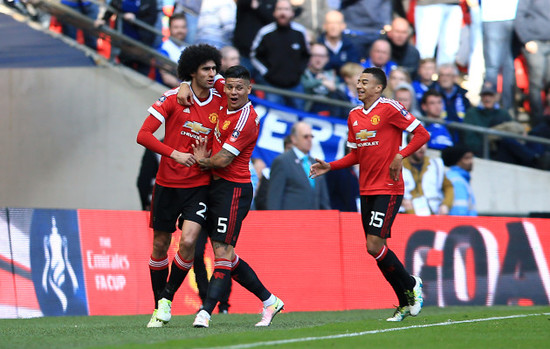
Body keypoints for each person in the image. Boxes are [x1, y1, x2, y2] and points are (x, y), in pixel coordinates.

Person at [310, 67, 429, 322]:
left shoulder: (390, 108)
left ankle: (411, 285)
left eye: (365, 82)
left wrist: (400, 155)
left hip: (389, 188)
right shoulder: (353, 114)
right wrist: (331, 166)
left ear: (378, 87)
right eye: (358, 81)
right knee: (376, 249)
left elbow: (422, 134)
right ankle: (404, 302)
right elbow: (356, 154)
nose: (359, 85)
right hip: (366, 189)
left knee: (374, 244)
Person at [136, 44, 224, 328]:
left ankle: (168, 299)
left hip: (198, 185)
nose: (212, 74)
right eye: (205, 69)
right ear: (191, 71)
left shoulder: (220, 98)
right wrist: (173, 153)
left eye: (214, 68)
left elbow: (234, 82)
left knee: (187, 242)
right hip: (166, 183)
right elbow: (143, 135)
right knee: (160, 245)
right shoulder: (173, 98)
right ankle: (157, 304)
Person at [191, 65, 284, 328]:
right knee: (228, 257)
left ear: (249, 89)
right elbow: (207, 77)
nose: (232, 92)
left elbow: (223, 159)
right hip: (213, 188)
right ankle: (269, 301)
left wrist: (201, 161)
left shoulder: (247, 120)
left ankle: (206, 312)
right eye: (230, 86)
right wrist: (186, 85)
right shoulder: (223, 88)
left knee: (222, 253)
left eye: (239, 88)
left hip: (234, 190)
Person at [250, 0, 310, 110]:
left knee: (300, 116)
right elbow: (254, 55)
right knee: (274, 115)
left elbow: (307, 55)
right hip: (272, 86)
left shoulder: (300, 31)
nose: (283, 13)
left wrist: (299, 72)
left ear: (292, 13)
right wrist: (267, 72)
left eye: (286, 9)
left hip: (295, 85)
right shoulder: (265, 32)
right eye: (279, 9)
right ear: (274, 13)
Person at [267, 121, 331, 210]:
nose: (309, 140)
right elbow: (274, 199)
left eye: (311, 136)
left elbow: (323, 199)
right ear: (294, 139)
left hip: (314, 220)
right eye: (305, 136)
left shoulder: (315, 164)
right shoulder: (282, 161)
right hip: (291, 221)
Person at [514, 0, 550, 127]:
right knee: (536, 84)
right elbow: (519, 17)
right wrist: (527, 39)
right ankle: (538, 122)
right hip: (535, 43)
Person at [481, 0, 518, 113]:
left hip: (514, 15)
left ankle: (508, 109)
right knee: (493, 67)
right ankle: (490, 108)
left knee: (509, 66)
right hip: (493, 16)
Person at [401, 142, 454, 215]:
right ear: (408, 146)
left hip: (433, 213)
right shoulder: (397, 165)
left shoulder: (435, 165)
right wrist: (400, 200)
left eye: (424, 143)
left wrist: (445, 205)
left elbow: (448, 187)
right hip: (405, 214)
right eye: (417, 143)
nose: (421, 147)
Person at [463, 85, 513, 157]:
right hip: (479, 152)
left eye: (490, 95)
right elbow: (469, 138)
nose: (487, 98)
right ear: (481, 97)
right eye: (484, 95)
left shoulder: (503, 114)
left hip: (500, 152)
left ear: (496, 97)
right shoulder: (472, 113)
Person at [233, 0, 277, 77]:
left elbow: (273, 20)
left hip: (263, 56)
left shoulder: (273, 3)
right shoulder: (245, 3)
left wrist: (258, 7)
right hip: (243, 52)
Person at [301, 43, 347, 115]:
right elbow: (304, 85)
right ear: (309, 56)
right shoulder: (302, 72)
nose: (318, 59)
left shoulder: (332, 76)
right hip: (307, 113)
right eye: (315, 55)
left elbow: (340, 92)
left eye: (322, 56)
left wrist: (334, 88)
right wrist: (321, 82)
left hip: (331, 115)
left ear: (327, 59)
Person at [414, 0, 463, 66]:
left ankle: (445, 74)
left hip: (454, 4)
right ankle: (424, 75)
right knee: (426, 47)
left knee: (450, 48)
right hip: (429, 4)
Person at [441, 146, 477, 216]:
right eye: (466, 158)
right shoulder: (457, 180)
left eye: (471, 157)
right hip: (464, 224)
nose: (471, 161)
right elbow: (460, 211)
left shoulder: (459, 178)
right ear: (457, 160)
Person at [158, 13, 189, 87]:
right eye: (176, 27)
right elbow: (166, 78)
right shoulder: (164, 48)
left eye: (183, 27)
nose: (180, 31)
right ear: (170, 29)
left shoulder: (188, 49)